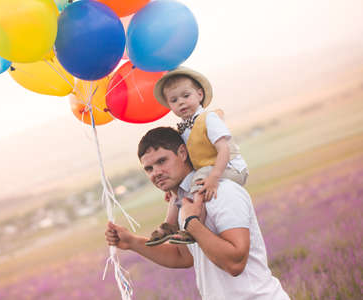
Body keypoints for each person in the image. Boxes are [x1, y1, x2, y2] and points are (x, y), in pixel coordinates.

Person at [105, 127, 290, 299]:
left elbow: (235, 263)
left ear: (182, 153)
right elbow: (183, 256)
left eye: (162, 161)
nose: (156, 173)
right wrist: (132, 242)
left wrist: (191, 223)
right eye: (149, 168)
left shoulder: (221, 192)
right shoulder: (183, 203)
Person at [145, 66, 249, 246]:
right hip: (208, 168)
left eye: (186, 96)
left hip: (230, 167)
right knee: (178, 189)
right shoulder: (184, 127)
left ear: (199, 94)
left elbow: (223, 149)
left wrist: (214, 178)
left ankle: (193, 225)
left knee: (198, 181)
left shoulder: (209, 119)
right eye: (174, 100)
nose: (181, 103)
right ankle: (169, 225)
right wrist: (174, 190)